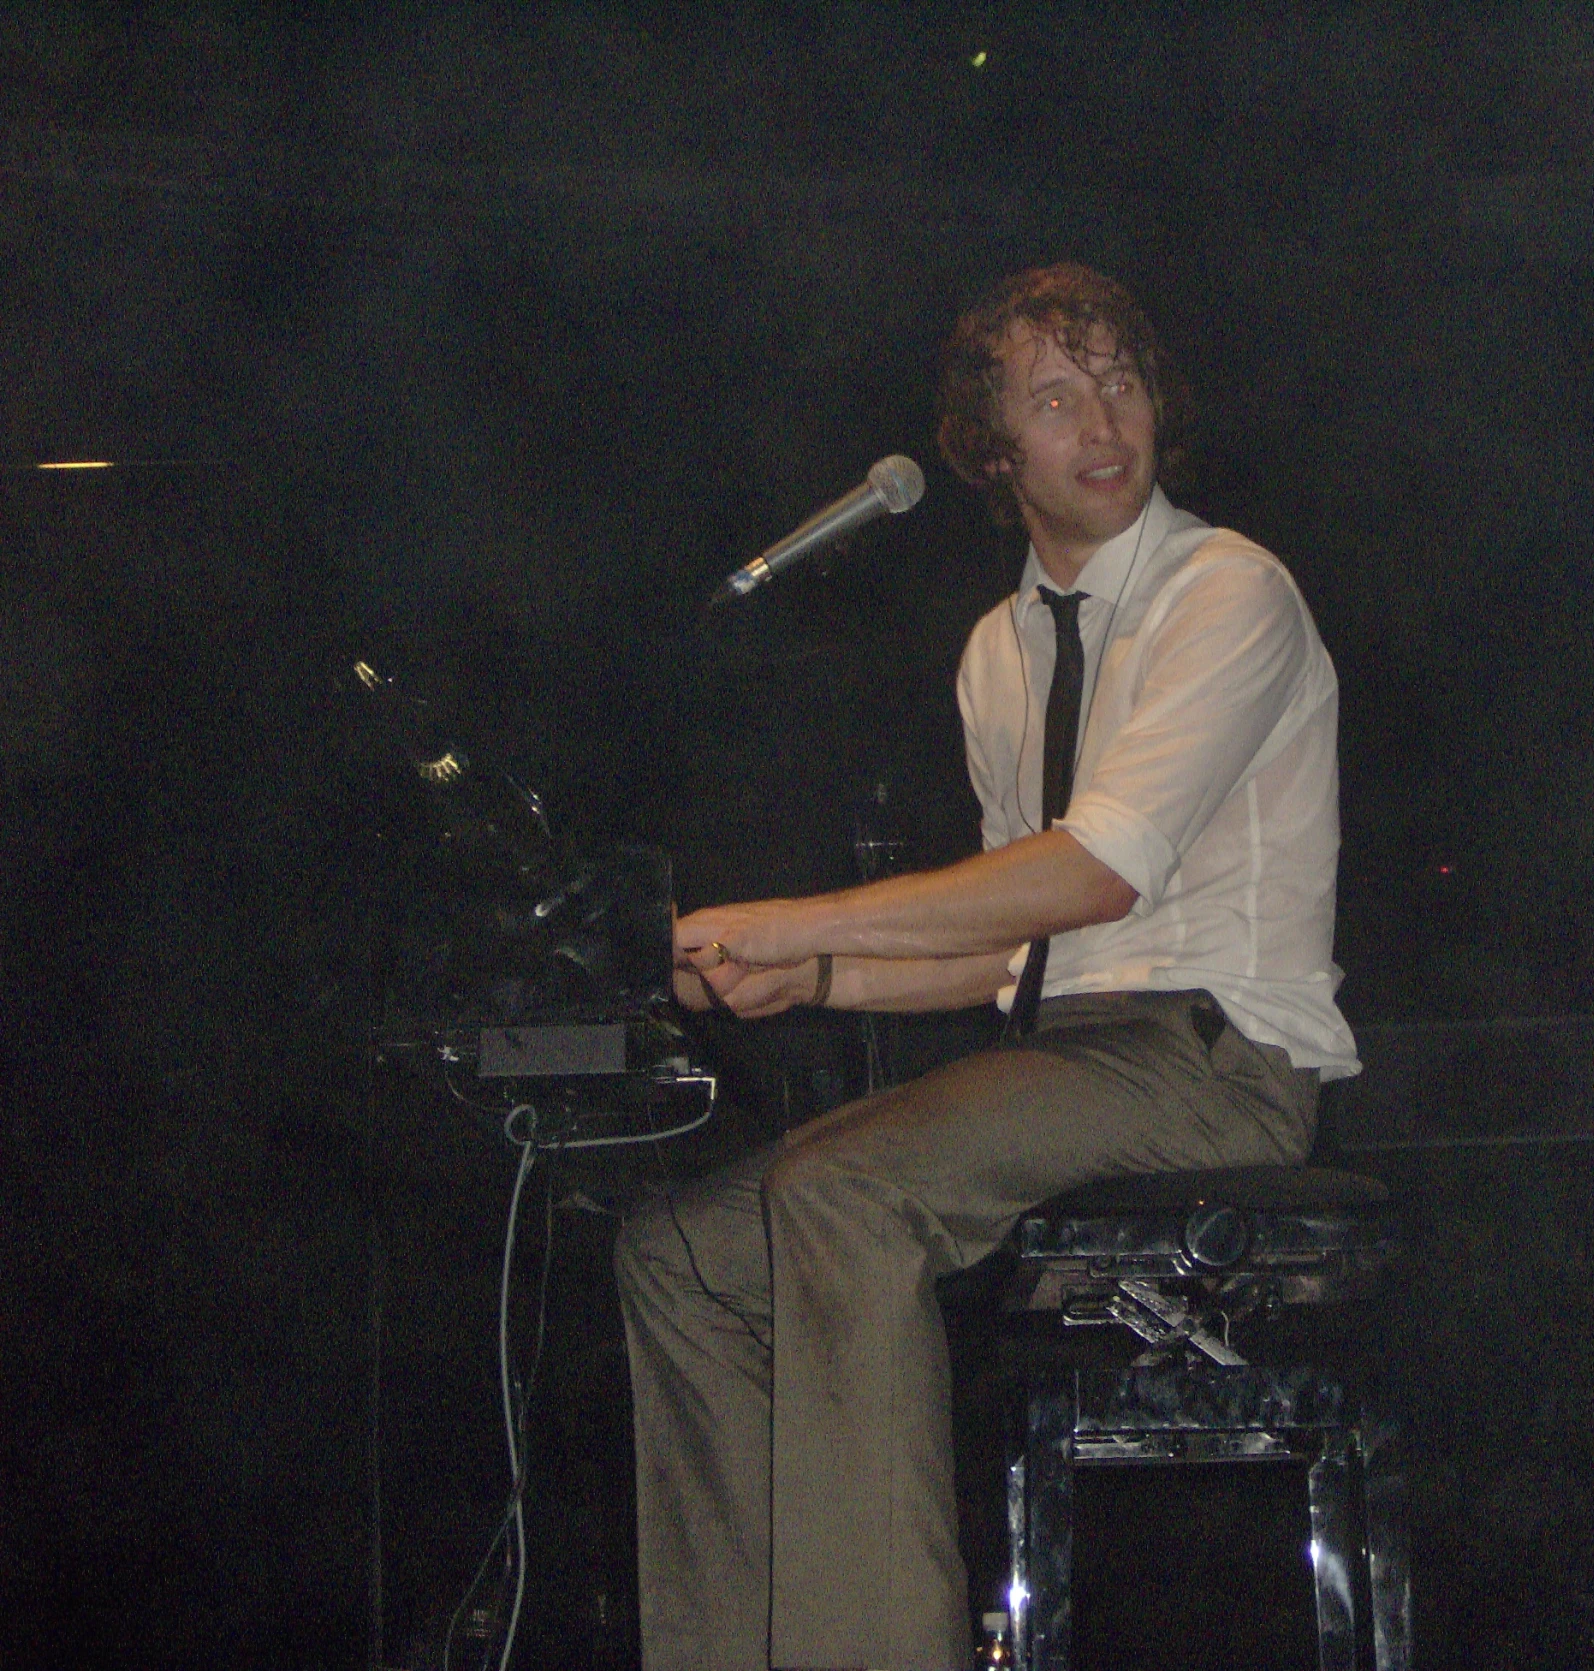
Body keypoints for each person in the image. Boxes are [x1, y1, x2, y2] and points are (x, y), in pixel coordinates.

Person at [615, 263, 1358, 1671]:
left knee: (838, 1190)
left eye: (1124, 380)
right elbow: (1020, 947)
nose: (1108, 420)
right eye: (1060, 395)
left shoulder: (1229, 588)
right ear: (991, 451)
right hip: (1070, 1053)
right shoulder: (997, 653)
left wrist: (800, 923)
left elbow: (1095, 870)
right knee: (684, 1255)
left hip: (1215, 1061)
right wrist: (816, 980)